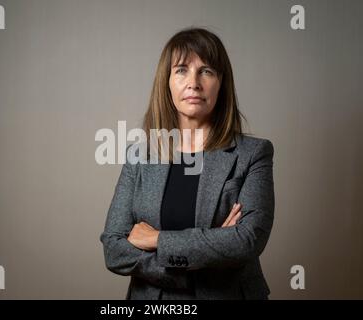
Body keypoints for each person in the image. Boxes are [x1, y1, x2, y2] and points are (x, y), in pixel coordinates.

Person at [100, 27, 275, 300]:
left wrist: (157, 240)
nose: (194, 82)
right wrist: (211, 250)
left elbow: (247, 240)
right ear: (167, 82)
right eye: (181, 69)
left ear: (221, 82)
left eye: (206, 71)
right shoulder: (140, 155)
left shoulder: (253, 153)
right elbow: (113, 249)